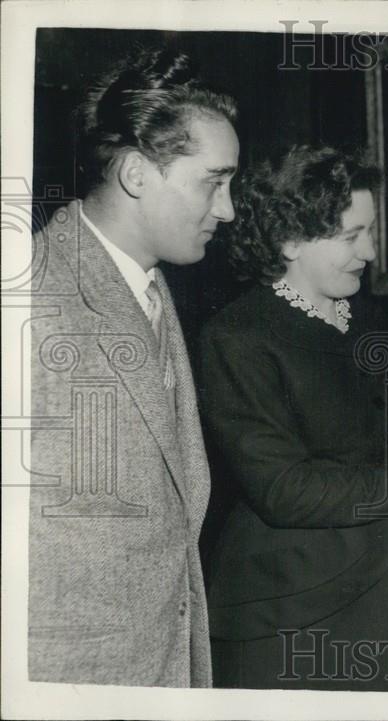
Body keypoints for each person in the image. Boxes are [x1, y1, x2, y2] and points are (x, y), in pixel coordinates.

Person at [198, 146, 388, 690]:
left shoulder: (371, 317)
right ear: (288, 240)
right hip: (291, 613)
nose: (368, 251)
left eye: (370, 231)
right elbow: (285, 489)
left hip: (387, 591)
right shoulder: (238, 338)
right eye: (350, 236)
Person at [28, 47, 239, 687]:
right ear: (139, 173)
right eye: (213, 180)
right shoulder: (32, 295)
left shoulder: (150, 286)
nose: (228, 210)